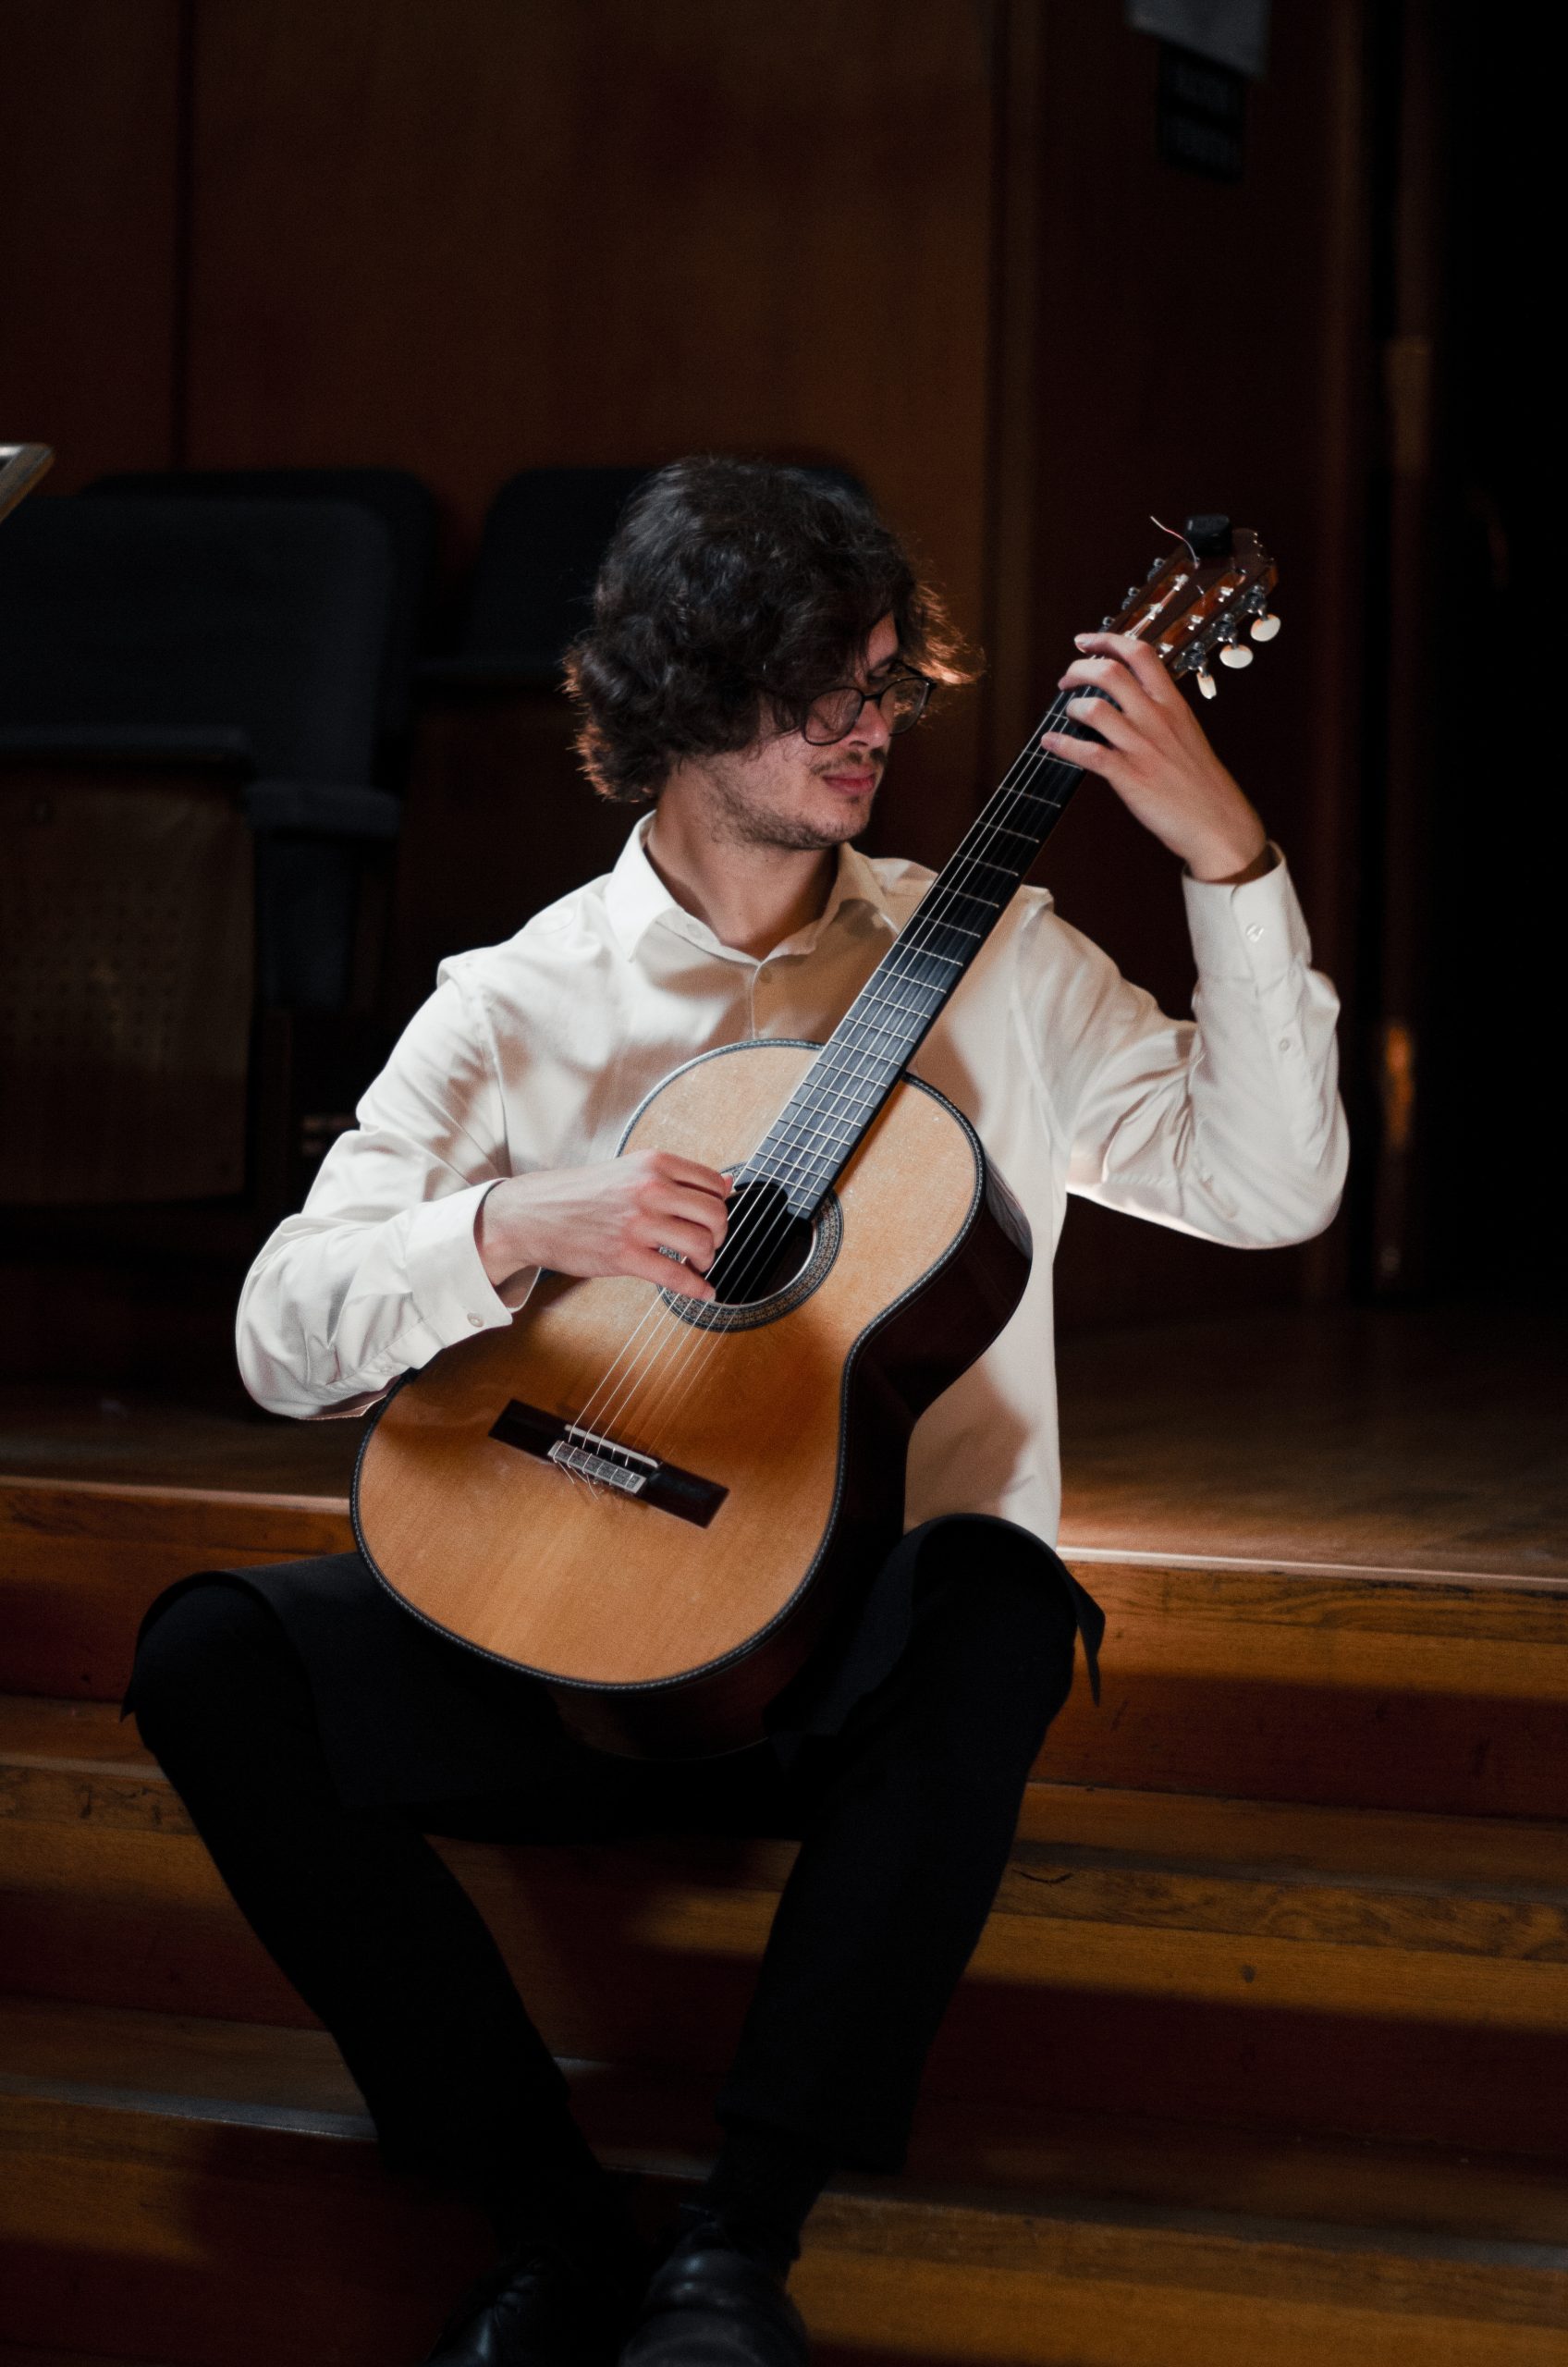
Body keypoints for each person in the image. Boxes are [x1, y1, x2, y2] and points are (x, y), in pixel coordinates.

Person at [128, 458, 1347, 2367]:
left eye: (885, 682)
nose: (871, 726)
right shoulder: (514, 1002)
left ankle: (733, 2252)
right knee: (210, 1654)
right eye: (816, 689)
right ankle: (547, 2223)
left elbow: (1269, 1188)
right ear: (682, 700)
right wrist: (515, 1225)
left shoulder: (998, 960)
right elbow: (282, 1336)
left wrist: (1230, 867)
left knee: (1002, 1599)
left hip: (840, 1678)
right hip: (559, 1639)